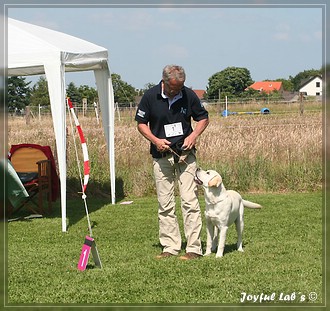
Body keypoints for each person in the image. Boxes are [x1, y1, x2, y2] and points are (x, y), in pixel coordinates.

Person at [135, 64, 209, 260]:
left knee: (189, 200)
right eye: (174, 87)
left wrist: (193, 136)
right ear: (164, 81)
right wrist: (156, 140)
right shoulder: (150, 96)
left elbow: (203, 118)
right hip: (161, 157)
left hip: (186, 156)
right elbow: (141, 124)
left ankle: (194, 249)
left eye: (180, 87)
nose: (177, 91)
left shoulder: (189, 95)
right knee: (165, 203)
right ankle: (170, 246)